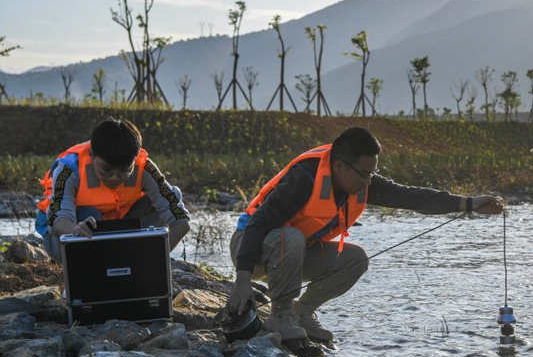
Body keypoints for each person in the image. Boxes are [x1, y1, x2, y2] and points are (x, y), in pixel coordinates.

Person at [227, 126, 503, 342]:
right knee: (292, 237)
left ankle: (303, 312)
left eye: (373, 173)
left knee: (355, 258)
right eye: (364, 173)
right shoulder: (304, 178)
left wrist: (469, 204)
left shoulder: (360, 182)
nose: (368, 181)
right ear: (340, 166)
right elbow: (257, 225)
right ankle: (281, 315)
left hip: (293, 253)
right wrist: (242, 280)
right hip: (252, 248)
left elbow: (412, 197)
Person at [35, 118, 190, 260]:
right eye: (106, 170)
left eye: (124, 171)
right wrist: (75, 230)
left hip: (118, 229)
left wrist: (156, 257)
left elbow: (181, 220)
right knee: (91, 215)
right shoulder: (69, 168)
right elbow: (58, 220)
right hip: (75, 233)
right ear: (92, 155)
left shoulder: (144, 168)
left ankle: (131, 256)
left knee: (173, 194)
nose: (115, 177)